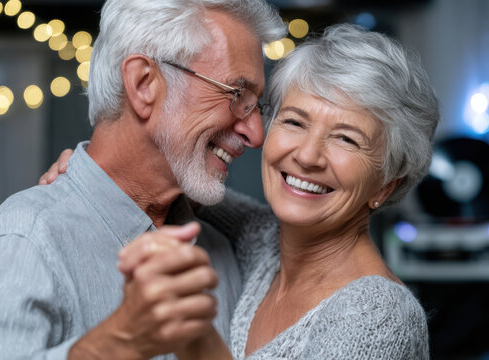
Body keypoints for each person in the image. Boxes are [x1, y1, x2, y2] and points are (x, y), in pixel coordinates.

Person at [0, 1, 285, 359]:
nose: (256, 135)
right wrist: (118, 341)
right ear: (143, 83)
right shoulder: (25, 238)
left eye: (255, 105)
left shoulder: (222, 252)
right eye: (235, 95)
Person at [117, 24, 440, 359]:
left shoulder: (380, 316)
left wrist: (194, 334)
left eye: (347, 139)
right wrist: (82, 170)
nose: (307, 155)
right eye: (295, 122)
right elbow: (178, 183)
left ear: (386, 184)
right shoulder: (262, 242)